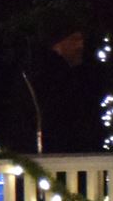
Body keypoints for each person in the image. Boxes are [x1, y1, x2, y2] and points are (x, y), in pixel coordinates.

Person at [28, 24, 105, 155]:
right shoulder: (51, 76)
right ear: (58, 44)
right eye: (74, 39)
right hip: (61, 155)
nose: (80, 45)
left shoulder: (80, 73)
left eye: (81, 40)